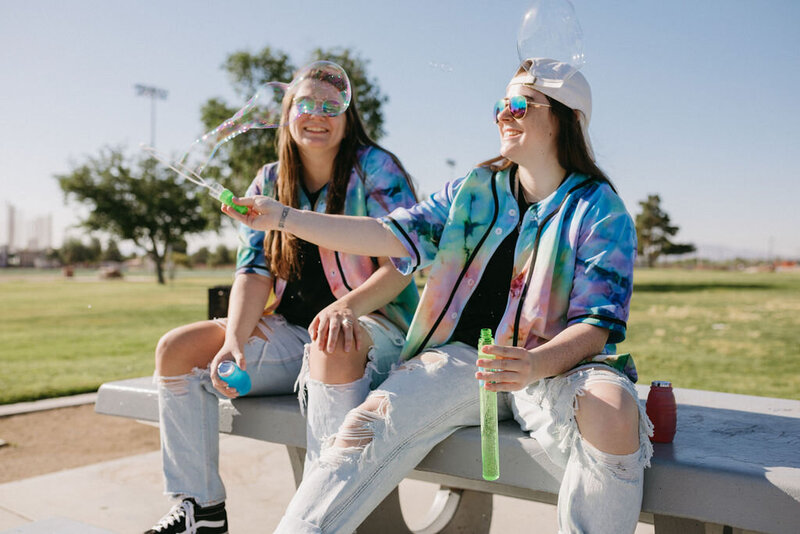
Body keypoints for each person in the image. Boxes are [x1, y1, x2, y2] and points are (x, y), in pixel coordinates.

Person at [224, 58, 652, 534]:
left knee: (614, 410)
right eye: (499, 105)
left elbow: (596, 325)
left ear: (566, 117)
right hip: (462, 360)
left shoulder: (600, 210)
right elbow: (389, 235)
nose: (502, 115)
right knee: (364, 430)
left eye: (518, 104)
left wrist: (533, 364)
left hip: (557, 369)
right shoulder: (474, 190)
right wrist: (282, 217)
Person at [145, 61, 419, 534]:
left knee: (331, 339)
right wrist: (234, 339)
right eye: (305, 104)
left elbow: (404, 258)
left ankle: (320, 520)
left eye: (331, 105)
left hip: (375, 328)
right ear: (287, 114)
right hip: (296, 334)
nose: (318, 114)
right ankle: (202, 510)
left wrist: (346, 306)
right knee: (177, 351)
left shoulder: (376, 169)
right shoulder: (270, 180)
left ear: (348, 116)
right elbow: (253, 272)